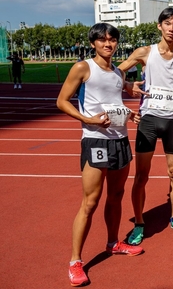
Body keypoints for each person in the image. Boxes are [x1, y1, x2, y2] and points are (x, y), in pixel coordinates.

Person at [57, 23, 143, 287]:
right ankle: (75, 261)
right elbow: (61, 101)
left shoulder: (118, 72)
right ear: (93, 43)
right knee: (90, 202)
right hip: (95, 140)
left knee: (116, 196)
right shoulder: (83, 68)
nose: (108, 44)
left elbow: (113, 103)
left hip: (120, 140)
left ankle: (113, 243)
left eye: (112, 40)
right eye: (103, 40)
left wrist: (128, 114)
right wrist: (87, 119)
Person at [118, 8, 173, 245]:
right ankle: (139, 223)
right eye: (168, 23)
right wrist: (127, 86)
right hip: (148, 120)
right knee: (141, 175)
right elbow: (116, 72)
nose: (172, 29)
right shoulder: (145, 52)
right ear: (159, 26)